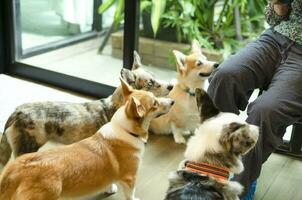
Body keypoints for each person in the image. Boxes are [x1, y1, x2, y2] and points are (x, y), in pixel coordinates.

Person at [207, 0, 302, 198]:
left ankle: (242, 184)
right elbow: (276, 18)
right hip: (277, 38)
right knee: (225, 76)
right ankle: (216, 163)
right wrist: (278, 5)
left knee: (265, 111)